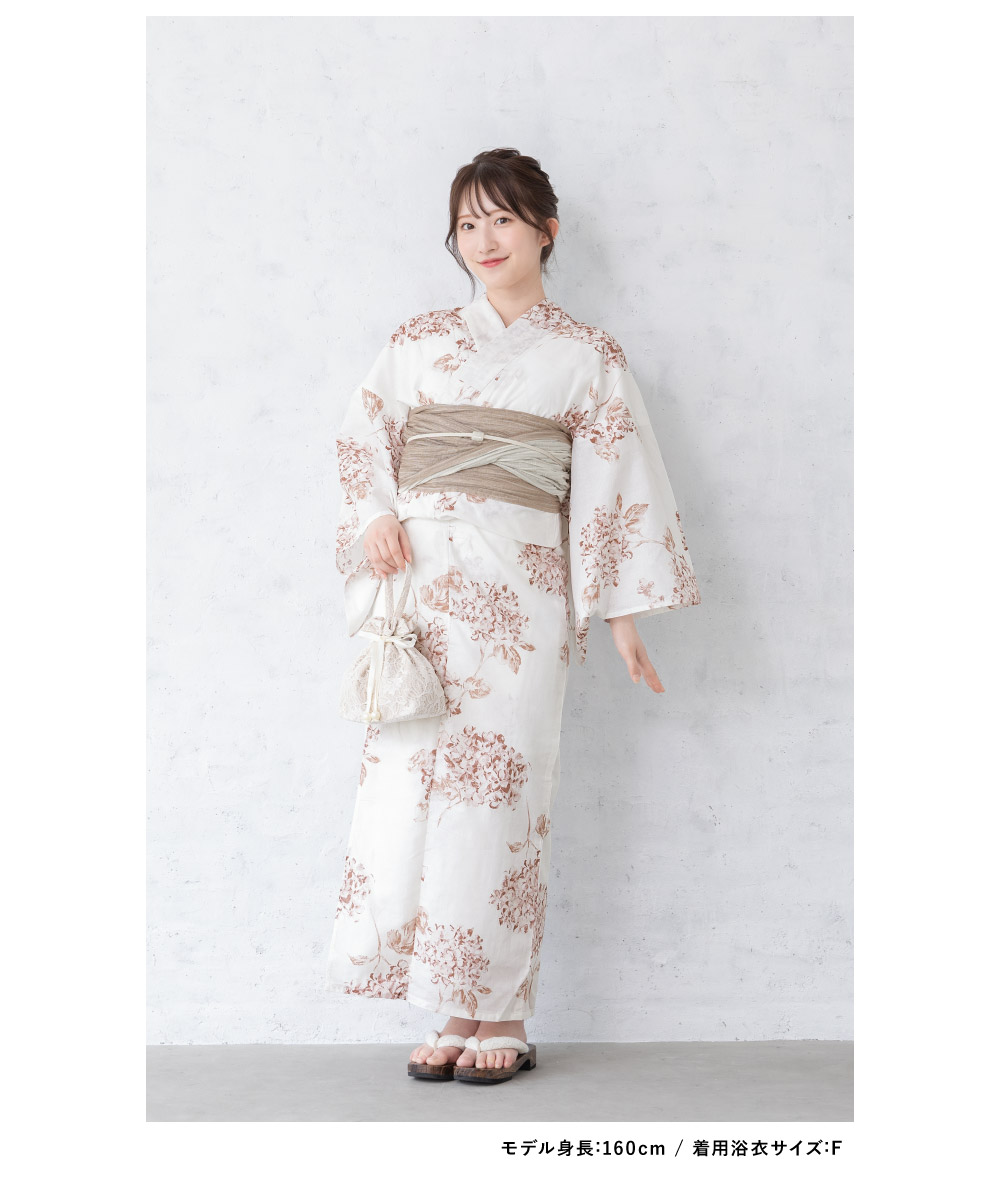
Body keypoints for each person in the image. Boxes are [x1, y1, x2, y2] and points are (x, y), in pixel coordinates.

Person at [325, 147, 701, 1084]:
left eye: (501, 219)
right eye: (467, 223)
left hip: (521, 601)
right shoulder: (417, 342)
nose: (483, 239)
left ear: (546, 231)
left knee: (500, 794)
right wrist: (374, 514)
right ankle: (451, 1009)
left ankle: (505, 1014)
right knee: (416, 789)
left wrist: (619, 614)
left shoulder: (586, 357)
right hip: (420, 595)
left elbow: (613, 481)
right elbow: (364, 437)